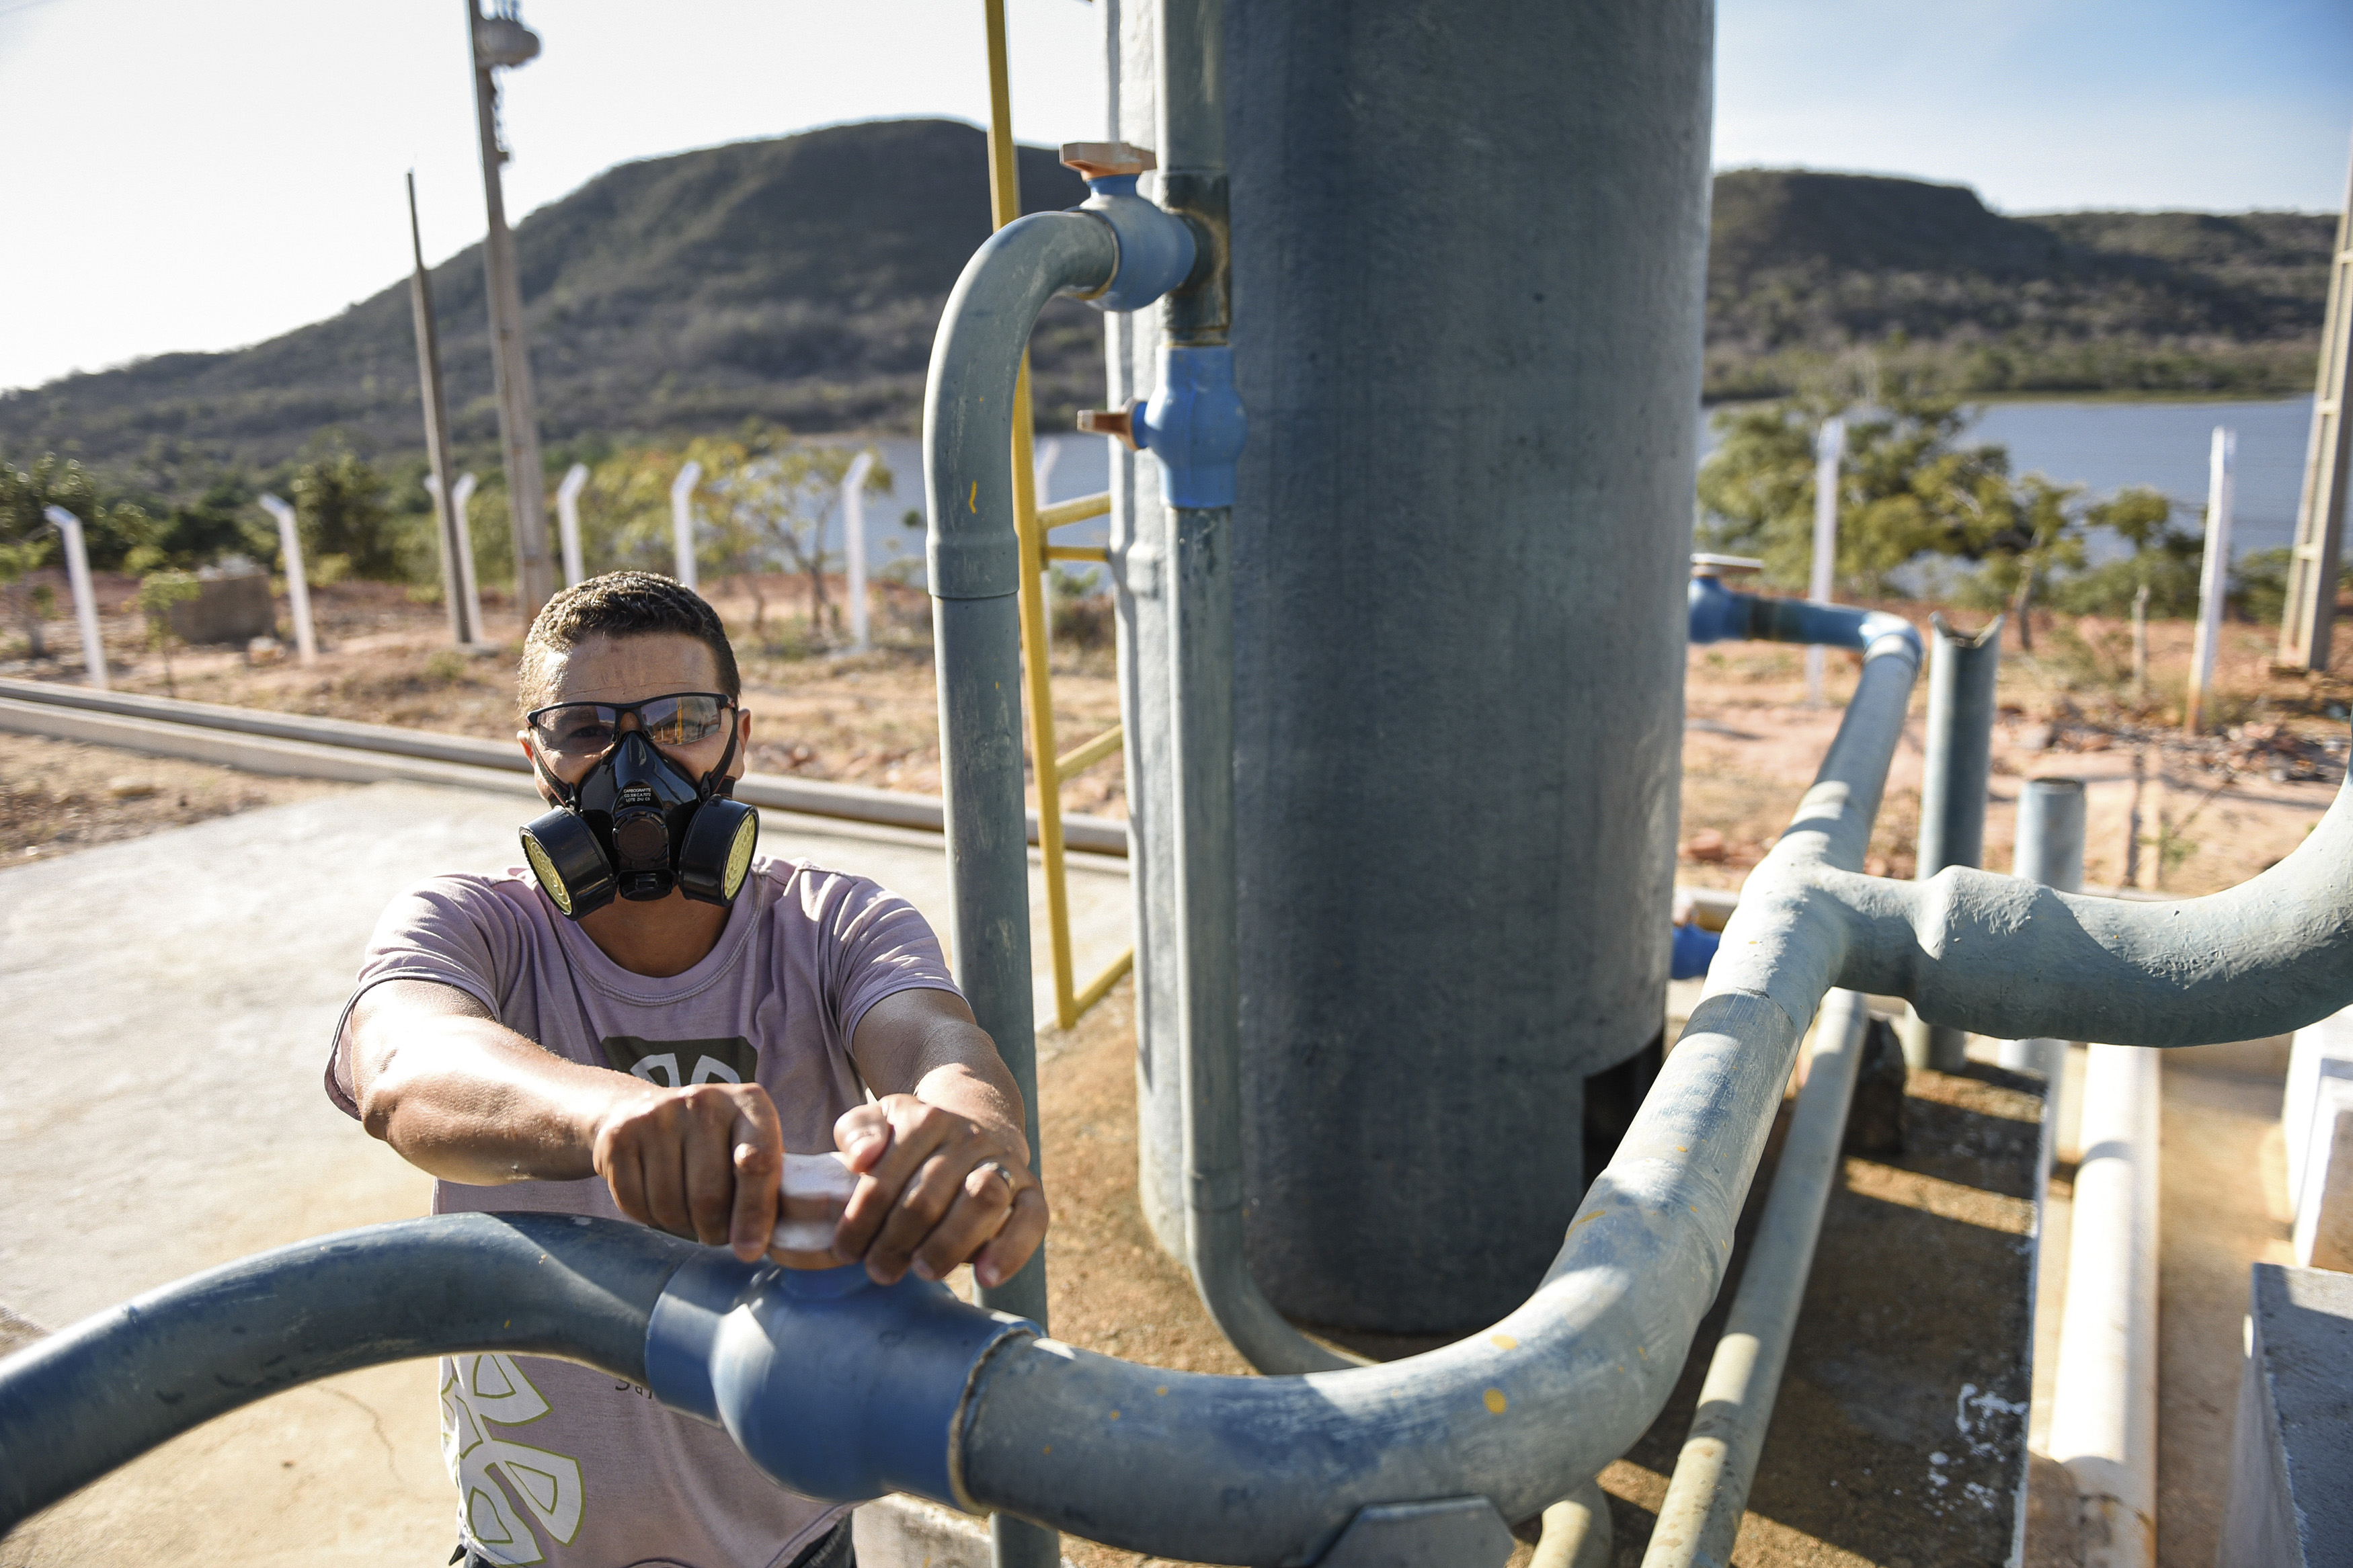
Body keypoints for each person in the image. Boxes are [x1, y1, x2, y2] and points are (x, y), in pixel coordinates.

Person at [325, 571, 1046, 1568]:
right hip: (527, 1543)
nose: (637, 764)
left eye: (681, 722)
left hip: (790, 1538)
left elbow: (934, 1041)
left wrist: (971, 1128)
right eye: (587, 729)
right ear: (534, 754)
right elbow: (402, 1062)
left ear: (736, 738)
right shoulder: (468, 921)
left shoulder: (836, 921)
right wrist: (614, 1119)